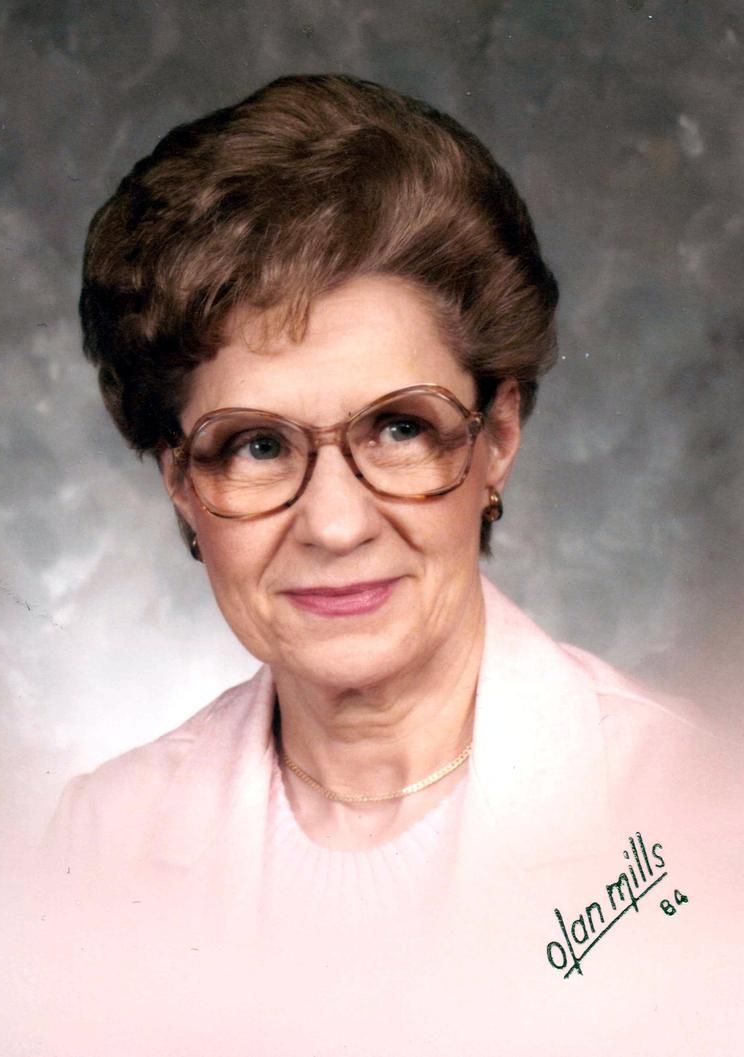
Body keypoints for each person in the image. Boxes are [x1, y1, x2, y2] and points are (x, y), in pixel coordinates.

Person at [42, 74, 741, 1056]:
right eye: (256, 444)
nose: (334, 524)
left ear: (496, 439)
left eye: (399, 427)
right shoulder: (100, 839)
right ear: (180, 483)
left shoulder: (695, 814)